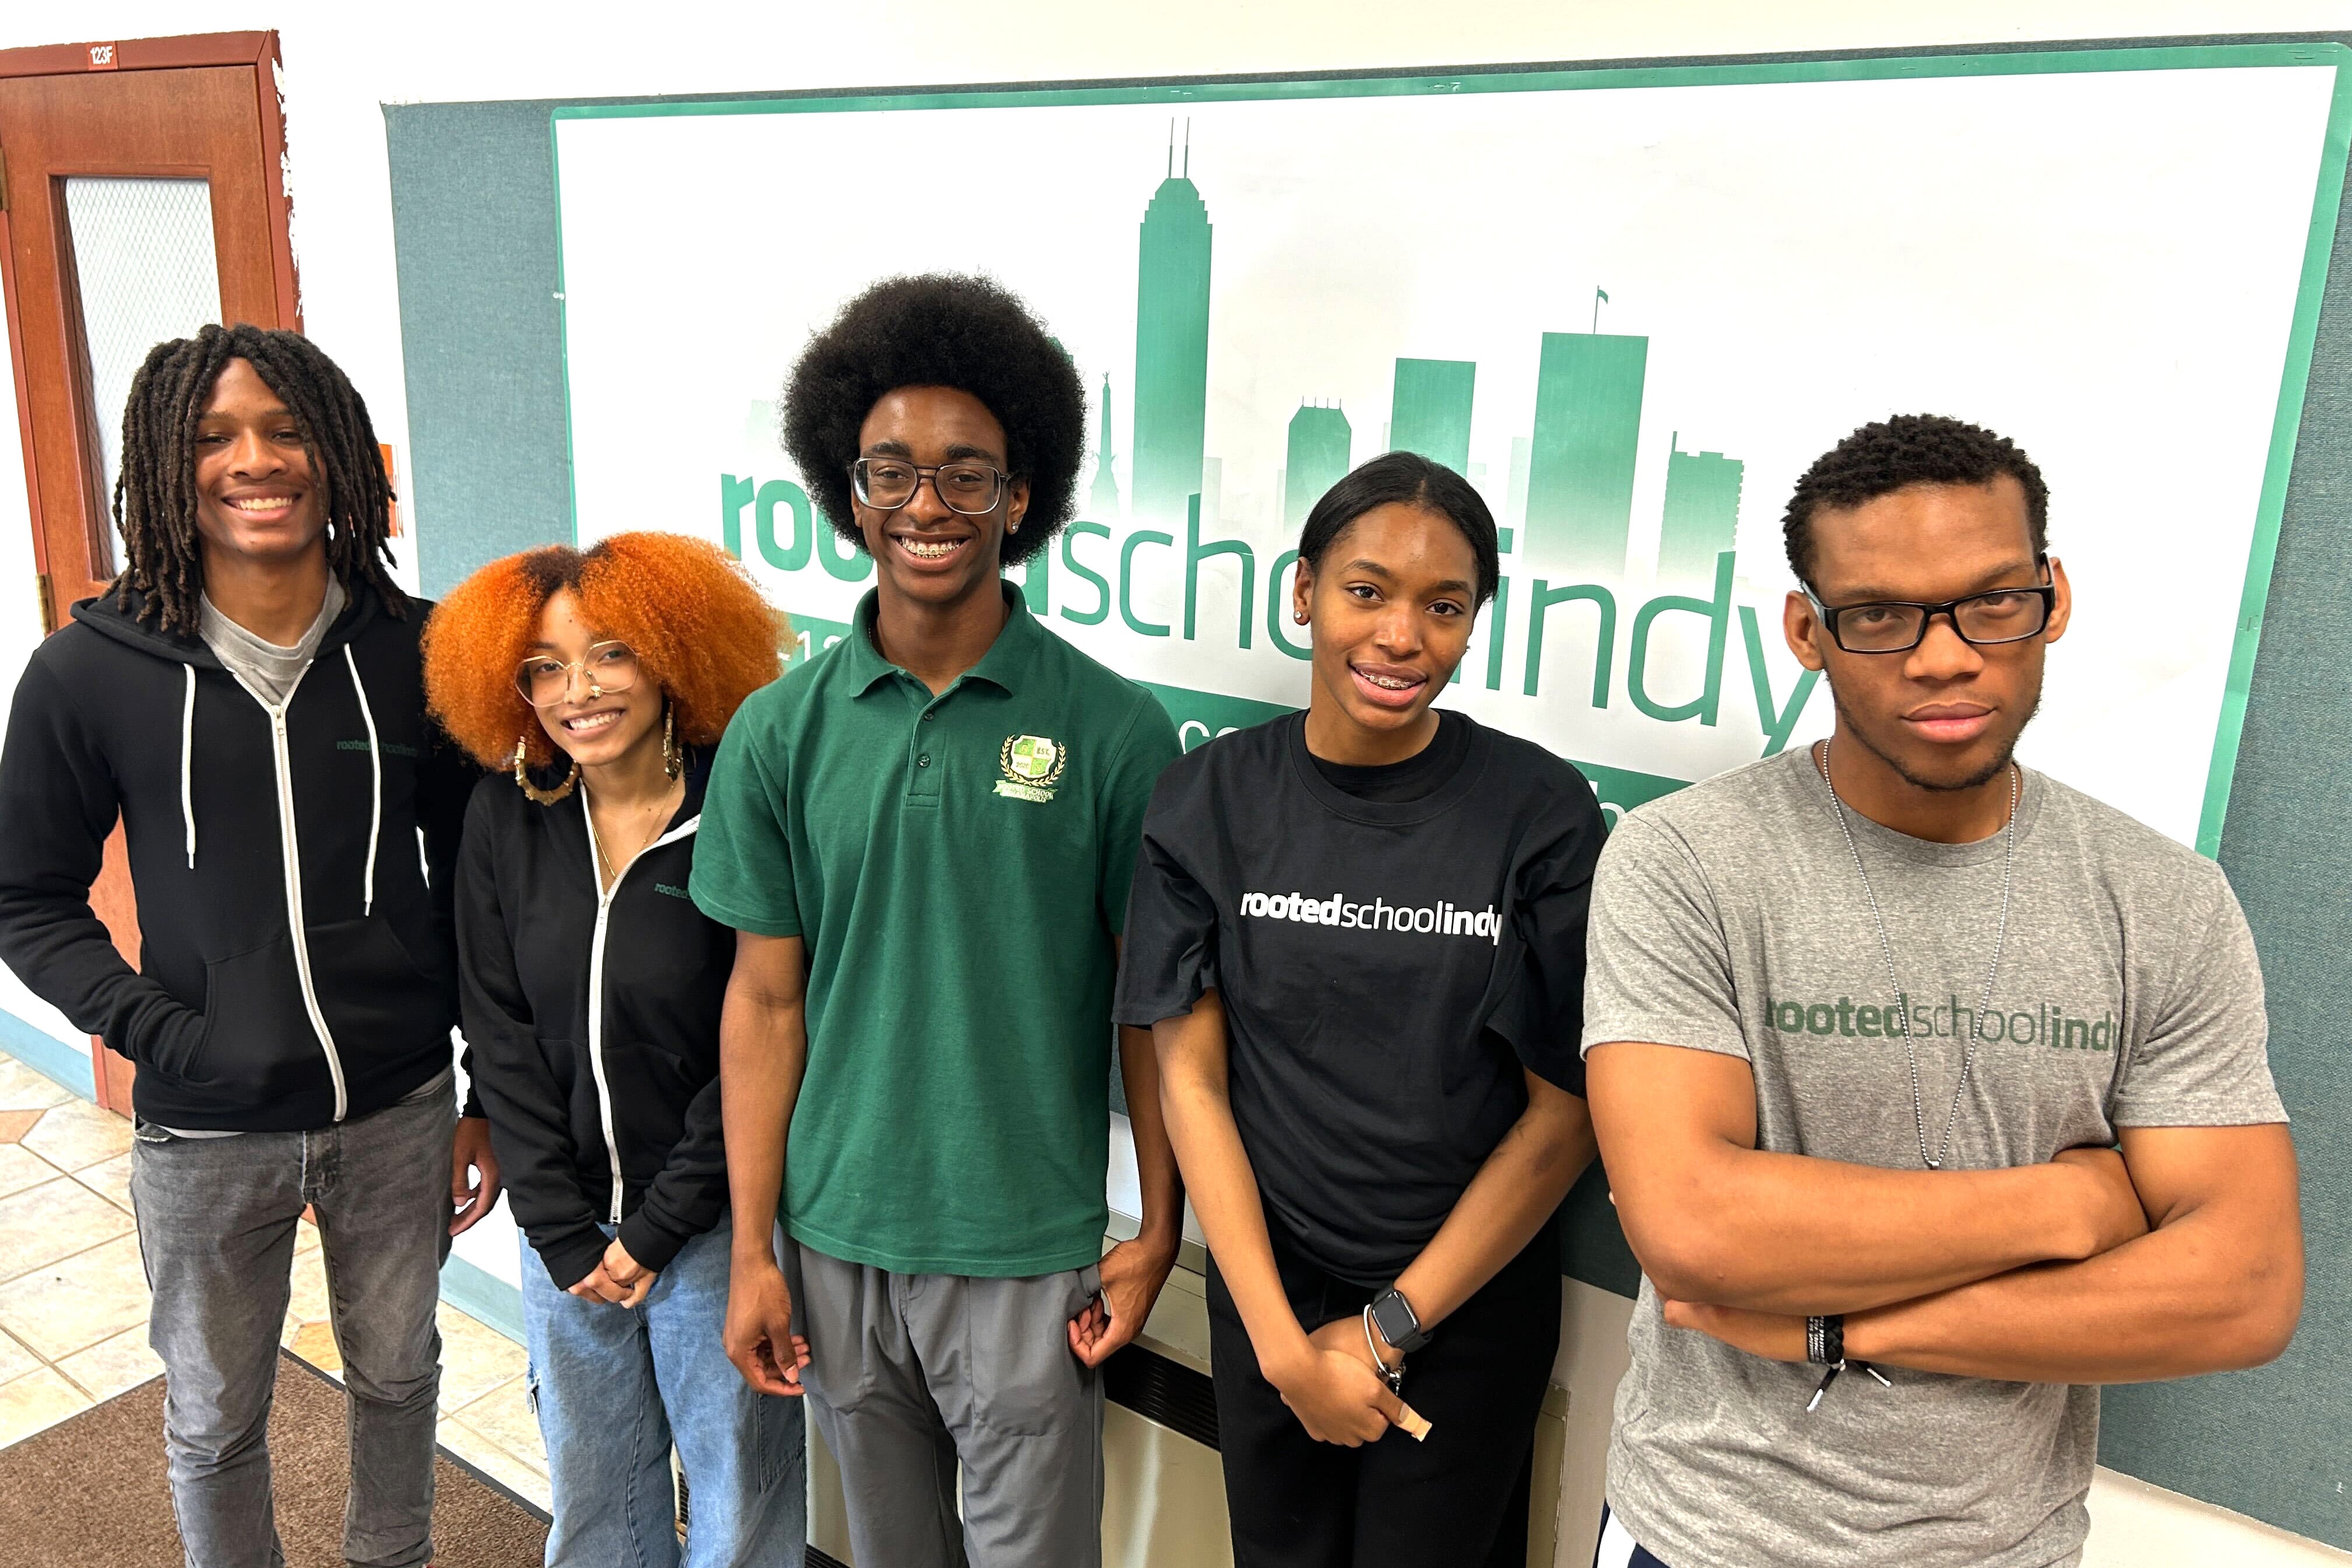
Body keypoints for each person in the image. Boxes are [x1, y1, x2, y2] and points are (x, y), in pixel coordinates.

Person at [1581, 414, 2302, 1568]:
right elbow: (1692, 1227)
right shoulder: (1687, 860)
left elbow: (2244, 1287)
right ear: (1807, 633)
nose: (1945, 654)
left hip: (2001, 1547)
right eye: (1878, 616)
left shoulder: (2163, 901)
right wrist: (2065, 1209)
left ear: (2052, 598)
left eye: (1991, 602)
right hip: (1707, 1536)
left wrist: (1840, 1327)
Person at [695, 273, 1186, 1568]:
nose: (928, 505)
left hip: (1023, 1246)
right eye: (892, 472)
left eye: (968, 475)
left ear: (1021, 498)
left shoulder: (1110, 730)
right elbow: (764, 1001)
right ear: (846, 489)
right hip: (835, 1239)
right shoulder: (780, 733)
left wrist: (1157, 1230)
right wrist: (755, 1250)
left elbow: (1154, 1005)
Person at [0, 324, 500, 1568]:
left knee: (399, 1376)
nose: (254, 460)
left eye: (284, 430)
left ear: (336, 457)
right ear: (166, 468)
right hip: (204, 1128)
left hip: (396, 1105)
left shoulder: (421, 652)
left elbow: (486, 884)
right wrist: (161, 1031)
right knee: (216, 1414)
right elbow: (25, 897)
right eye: (214, 436)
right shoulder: (85, 673)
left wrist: (486, 1087)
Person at [1116, 452, 1605, 1567]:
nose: (1400, 638)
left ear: (1477, 621)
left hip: (1464, 1307)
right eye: (1366, 591)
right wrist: (1289, 1356)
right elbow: (1189, 1076)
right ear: (1304, 593)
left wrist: (1390, 1330)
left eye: (1444, 607)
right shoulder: (1211, 798)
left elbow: (1565, 1114)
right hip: (1268, 1291)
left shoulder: (1538, 810)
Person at [423, 533, 802, 1566]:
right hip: (565, 1232)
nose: (574, 692)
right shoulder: (503, 815)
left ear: (675, 655)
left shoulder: (741, 805)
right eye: (543, 667)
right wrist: (561, 1230)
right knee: (593, 1494)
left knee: (740, 1492)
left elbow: (765, 1035)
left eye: (609, 655)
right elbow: (495, 1031)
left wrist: (660, 1228)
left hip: (715, 1228)